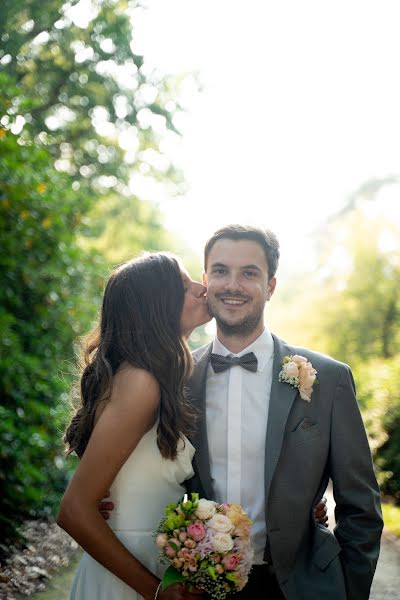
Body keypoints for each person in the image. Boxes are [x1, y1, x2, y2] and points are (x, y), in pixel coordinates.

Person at [183, 224, 383, 600]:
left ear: (271, 286)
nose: (233, 285)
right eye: (222, 271)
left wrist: (349, 590)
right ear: (206, 280)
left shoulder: (329, 380)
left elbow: (361, 507)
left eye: (249, 273)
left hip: (302, 586)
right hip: (202, 588)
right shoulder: (178, 379)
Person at [57, 252, 210, 600]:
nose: (202, 289)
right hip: (126, 581)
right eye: (185, 286)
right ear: (157, 304)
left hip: (149, 562)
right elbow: (74, 509)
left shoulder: (159, 377)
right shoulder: (141, 381)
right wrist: (155, 592)